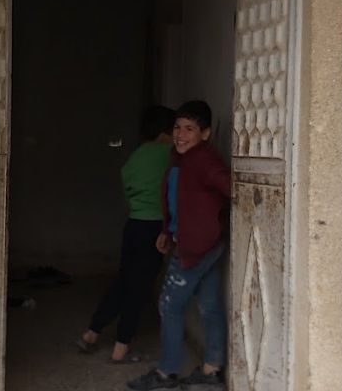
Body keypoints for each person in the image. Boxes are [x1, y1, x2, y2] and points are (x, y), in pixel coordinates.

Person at [126, 101, 230, 390]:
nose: (180, 135)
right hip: (198, 242)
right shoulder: (179, 158)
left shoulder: (205, 161)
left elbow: (231, 188)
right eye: (176, 127)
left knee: (169, 306)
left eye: (190, 129)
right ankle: (211, 371)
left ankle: (167, 373)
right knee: (209, 306)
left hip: (197, 247)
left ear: (206, 133)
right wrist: (167, 230)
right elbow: (176, 200)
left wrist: (207, 226)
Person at [77, 106, 175, 363]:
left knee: (124, 282)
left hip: (133, 226)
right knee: (139, 289)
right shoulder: (171, 154)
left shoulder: (135, 157)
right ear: (167, 130)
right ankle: (122, 347)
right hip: (154, 229)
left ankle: (91, 333)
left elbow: (127, 188)